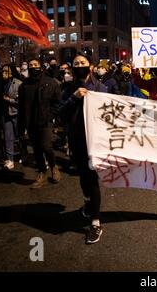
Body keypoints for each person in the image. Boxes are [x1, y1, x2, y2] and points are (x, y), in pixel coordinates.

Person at [59, 52, 107, 244]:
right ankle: (88, 203)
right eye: (76, 63)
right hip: (76, 140)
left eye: (83, 62)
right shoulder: (68, 89)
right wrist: (74, 98)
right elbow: (61, 113)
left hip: (95, 142)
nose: (79, 65)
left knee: (92, 178)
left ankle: (95, 223)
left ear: (91, 66)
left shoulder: (101, 88)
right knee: (83, 176)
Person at [18, 58, 61, 189]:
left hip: (45, 121)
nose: (32, 67)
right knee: (36, 149)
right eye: (30, 65)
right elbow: (21, 106)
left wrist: (51, 116)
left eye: (35, 65)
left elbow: (57, 102)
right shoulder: (24, 85)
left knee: (46, 146)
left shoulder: (50, 83)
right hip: (31, 122)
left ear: (41, 67)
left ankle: (53, 166)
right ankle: (41, 172)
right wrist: (21, 124)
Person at [0, 64, 23, 170]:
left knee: (19, 136)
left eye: (6, 71)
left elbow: (21, 101)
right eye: (3, 71)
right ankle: (10, 159)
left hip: (16, 113)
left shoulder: (18, 83)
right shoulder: (1, 83)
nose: (4, 73)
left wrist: (9, 100)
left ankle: (23, 154)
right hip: (5, 113)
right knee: (8, 137)